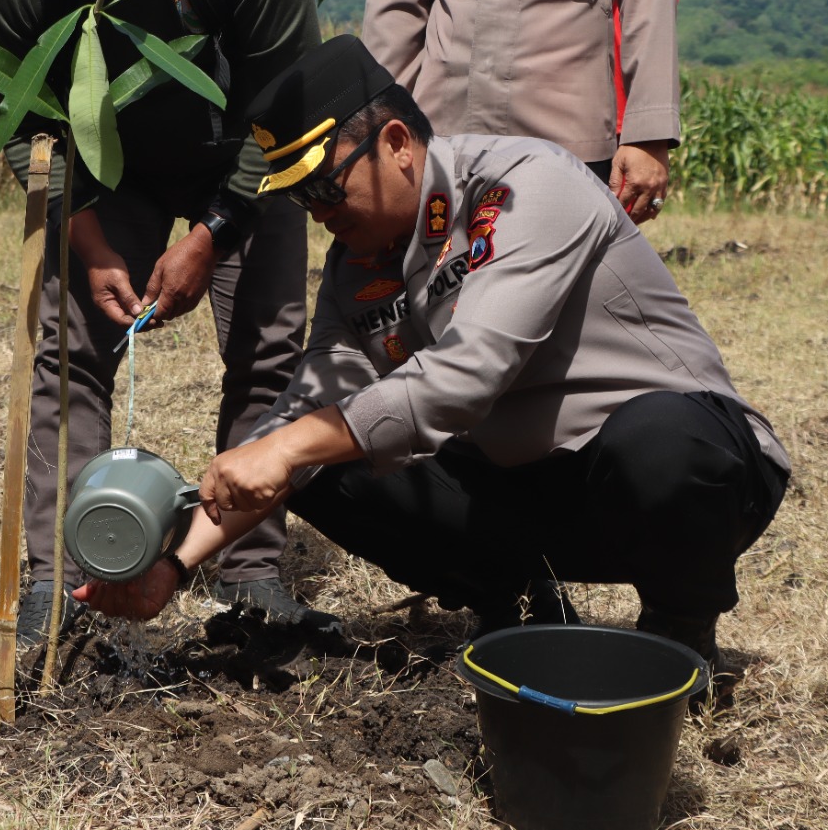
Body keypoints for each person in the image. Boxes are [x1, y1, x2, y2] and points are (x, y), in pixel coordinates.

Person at [73, 35, 790, 669]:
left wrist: (288, 447)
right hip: (538, 490)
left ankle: (680, 630)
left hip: (690, 474)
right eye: (302, 201)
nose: (320, 214)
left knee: (658, 442)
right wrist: (171, 566)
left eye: (327, 186)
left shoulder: (527, 186)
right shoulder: (356, 270)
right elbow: (299, 419)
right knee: (317, 457)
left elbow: (466, 376)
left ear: (395, 143)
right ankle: (519, 603)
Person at [0, 0, 335, 646]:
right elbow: (19, 120)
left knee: (270, 353)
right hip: (105, 170)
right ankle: (64, 572)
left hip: (244, 149)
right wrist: (90, 241)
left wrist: (213, 233)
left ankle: (250, 571)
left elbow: (284, 102)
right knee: (69, 354)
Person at [360, 0, 678, 225]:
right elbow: (396, 3)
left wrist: (647, 138)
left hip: (567, 145)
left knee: (557, 280)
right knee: (436, 281)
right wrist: (374, 128)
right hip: (443, 140)